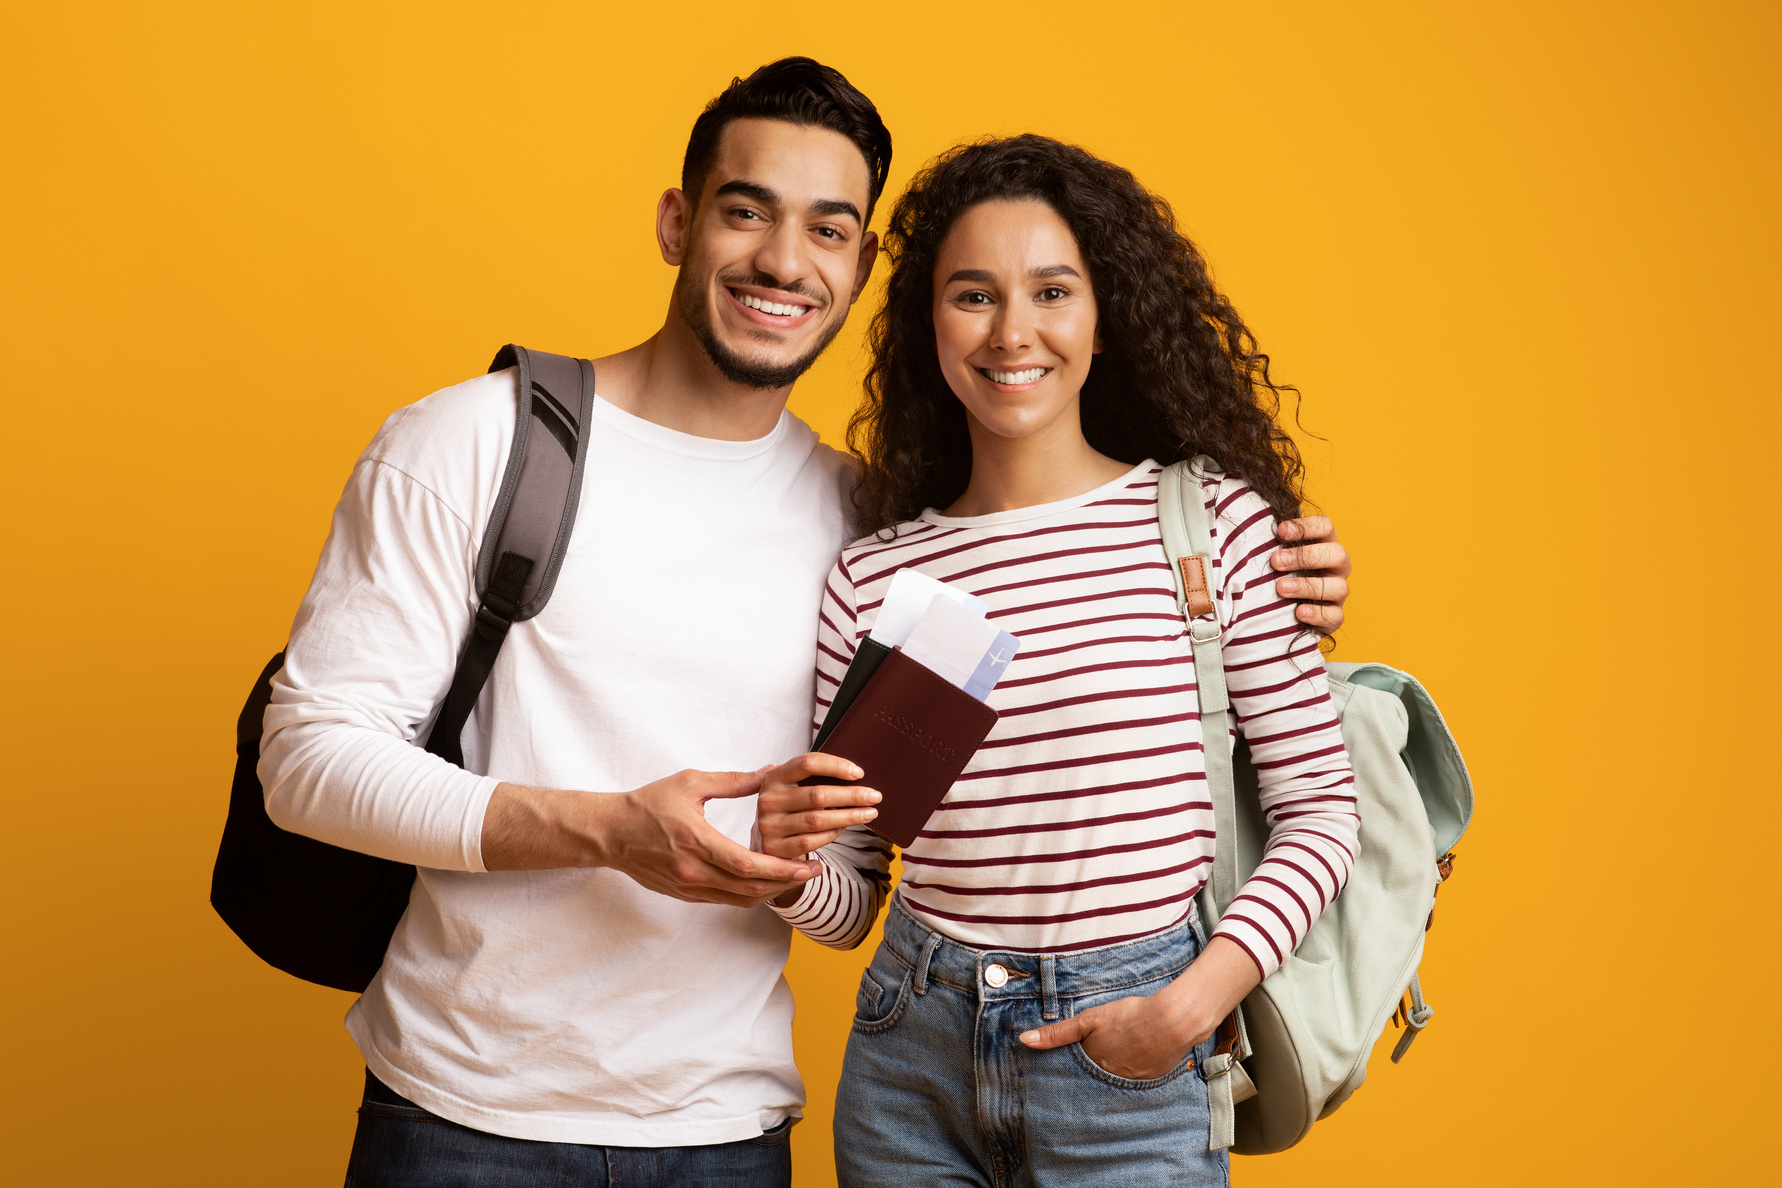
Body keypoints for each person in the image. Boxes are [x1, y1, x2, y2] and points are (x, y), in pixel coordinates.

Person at [259, 58, 1352, 1187]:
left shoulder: (863, 520)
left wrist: (1188, 1001)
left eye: (828, 229)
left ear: (863, 265)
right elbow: (305, 761)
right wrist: (631, 834)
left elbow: (849, 881)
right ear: (679, 222)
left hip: (732, 1129)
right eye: (747, 212)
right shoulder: (487, 447)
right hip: (468, 1111)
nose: (784, 261)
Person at [757, 134, 1359, 1187]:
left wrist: (1188, 1006)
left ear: (1103, 314)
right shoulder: (872, 576)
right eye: (974, 295)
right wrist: (776, 863)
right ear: (926, 323)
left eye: (1051, 290)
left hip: (1133, 1054)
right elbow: (852, 899)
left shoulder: (1209, 528)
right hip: (911, 1054)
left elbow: (1321, 808)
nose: (1013, 332)